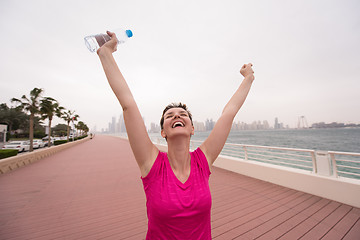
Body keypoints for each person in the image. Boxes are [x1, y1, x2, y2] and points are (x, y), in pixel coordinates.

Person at [97, 31, 255, 240]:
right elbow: (128, 105)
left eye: (183, 115)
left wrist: (248, 78)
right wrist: (106, 53)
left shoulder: (203, 160)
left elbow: (229, 113)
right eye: (169, 116)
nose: (177, 116)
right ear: (163, 131)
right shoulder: (151, 163)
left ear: (191, 128)